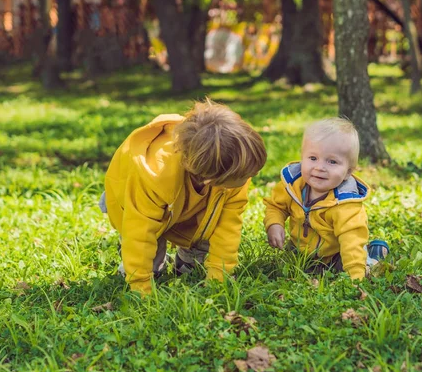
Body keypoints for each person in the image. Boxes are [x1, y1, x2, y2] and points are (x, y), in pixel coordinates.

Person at [100, 99, 267, 294]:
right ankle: (138, 268)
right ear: (210, 178)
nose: (252, 176)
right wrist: (140, 286)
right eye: (246, 176)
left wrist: (218, 278)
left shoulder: (234, 169)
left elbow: (227, 226)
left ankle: (187, 260)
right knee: (149, 263)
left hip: (187, 205)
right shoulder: (154, 175)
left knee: (202, 249)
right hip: (134, 206)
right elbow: (139, 235)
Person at [263, 117, 389, 281]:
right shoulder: (292, 186)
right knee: (289, 268)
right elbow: (276, 206)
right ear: (302, 158)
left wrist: (356, 278)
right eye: (313, 158)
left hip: (335, 256)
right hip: (299, 250)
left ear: (348, 172)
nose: (320, 167)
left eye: (332, 161)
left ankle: (374, 255)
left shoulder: (346, 204)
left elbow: (351, 240)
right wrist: (274, 224)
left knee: (355, 266)